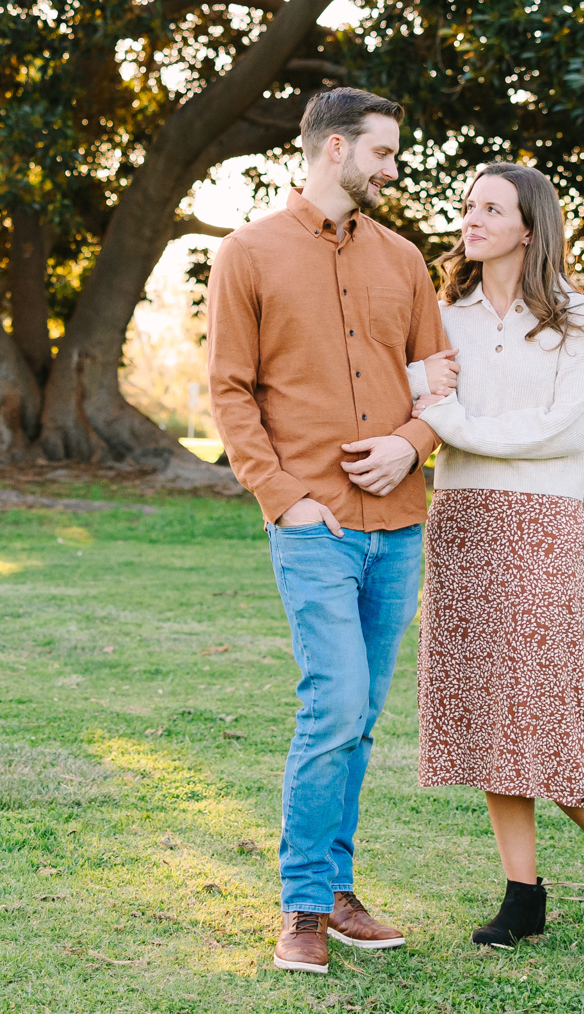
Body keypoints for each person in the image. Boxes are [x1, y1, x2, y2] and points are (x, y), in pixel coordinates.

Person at [206, 86, 460, 975]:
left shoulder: (407, 260)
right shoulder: (247, 254)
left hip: (397, 526)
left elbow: (439, 387)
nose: (394, 168)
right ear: (335, 149)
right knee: (336, 703)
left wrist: (411, 442)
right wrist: (281, 495)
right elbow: (230, 391)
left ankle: (340, 890)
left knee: (363, 715)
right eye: (384, 153)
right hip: (312, 523)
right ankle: (305, 906)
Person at [409, 161, 584, 946]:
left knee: (543, 707)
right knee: (485, 706)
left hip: (543, 521)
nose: (472, 218)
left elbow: (559, 429)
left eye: (491, 207)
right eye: (468, 206)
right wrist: (444, 418)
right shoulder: (447, 314)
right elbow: (420, 394)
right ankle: (523, 893)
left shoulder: (577, 321)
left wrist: (457, 423)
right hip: (462, 516)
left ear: (528, 225)